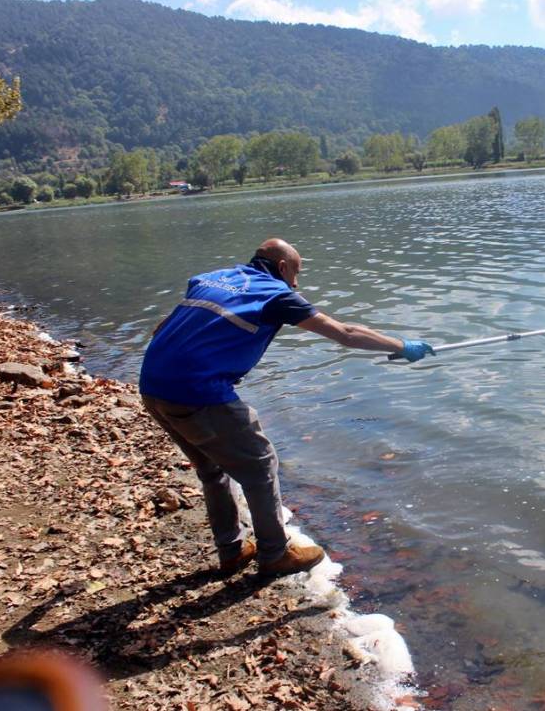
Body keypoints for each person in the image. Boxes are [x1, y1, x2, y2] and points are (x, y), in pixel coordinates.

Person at [139, 238, 435, 577]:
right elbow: (346, 333)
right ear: (282, 268)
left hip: (152, 386)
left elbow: (161, 328)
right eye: (296, 272)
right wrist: (403, 345)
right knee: (262, 464)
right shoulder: (276, 295)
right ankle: (275, 554)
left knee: (212, 471)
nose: (297, 283)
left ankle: (232, 551)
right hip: (198, 393)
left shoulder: (210, 278)